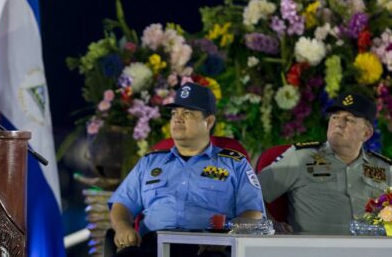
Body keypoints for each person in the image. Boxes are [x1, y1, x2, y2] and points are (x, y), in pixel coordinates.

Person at [109, 82, 265, 257]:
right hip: (153, 247)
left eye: (188, 113)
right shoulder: (149, 163)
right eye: (174, 113)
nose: (177, 118)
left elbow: (253, 213)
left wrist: (227, 236)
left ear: (209, 121)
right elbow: (122, 204)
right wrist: (122, 227)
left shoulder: (235, 164)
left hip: (208, 247)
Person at [258, 92, 392, 235]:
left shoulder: (384, 168)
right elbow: (250, 194)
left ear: (366, 133)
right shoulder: (301, 157)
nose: (339, 124)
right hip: (311, 251)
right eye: (334, 117)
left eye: (349, 119)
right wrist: (270, 225)